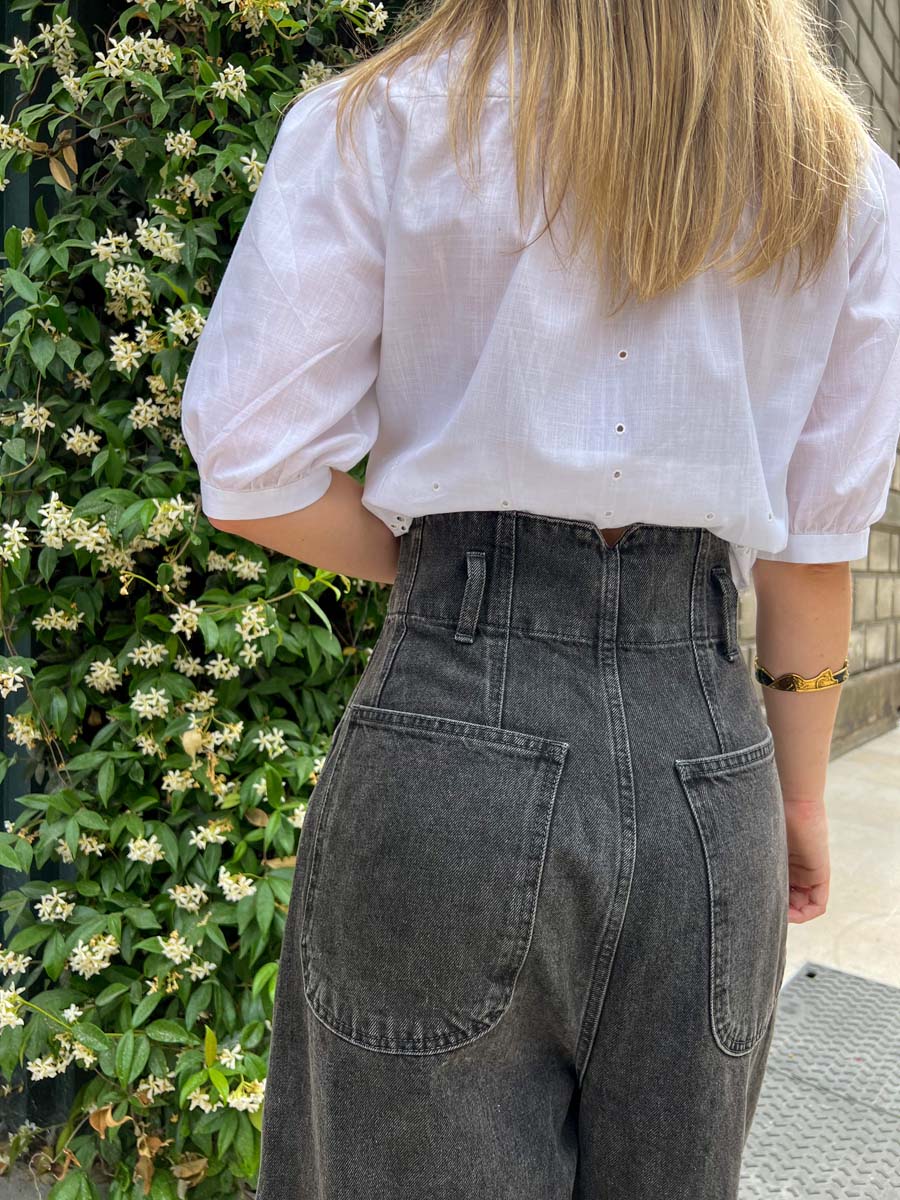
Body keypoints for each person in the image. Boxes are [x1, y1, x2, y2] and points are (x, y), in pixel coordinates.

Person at [179, 1, 900, 1196]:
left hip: (446, 745)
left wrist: (448, 576)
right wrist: (801, 798)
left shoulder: (384, 118)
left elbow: (253, 467)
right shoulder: (839, 176)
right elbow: (815, 550)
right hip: (705, 769)